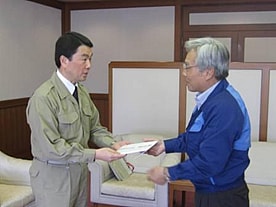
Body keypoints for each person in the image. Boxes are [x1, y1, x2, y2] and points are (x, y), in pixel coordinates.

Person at [147, 37, 251, 207]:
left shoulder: (224, 107)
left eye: (187, 66)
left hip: (222, 197)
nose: (183, 72)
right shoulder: (212, 98)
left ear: (208, 72)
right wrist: (164, 145)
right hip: (209, 191)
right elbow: (194, 137)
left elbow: (209, 163)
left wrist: (168, 173)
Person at [26, 31, 126, 207]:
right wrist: (95, 154)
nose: (89, 65)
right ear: (64, 60)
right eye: (84, 58)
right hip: (54, 180)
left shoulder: (82, 92)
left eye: (90, 59)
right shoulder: (43, 98)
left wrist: (113, 143)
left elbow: (95, 128)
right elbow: (52, 148)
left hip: (79, 175)